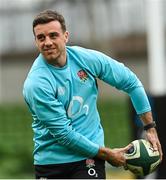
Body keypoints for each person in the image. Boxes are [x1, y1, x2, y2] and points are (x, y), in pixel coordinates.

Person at [23, 10, 163, 179]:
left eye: (53, 35)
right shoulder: (36, 84)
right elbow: (64, 135)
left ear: (65, 36)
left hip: (88, 159)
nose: (47, 42)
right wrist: (108, 154)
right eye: (41, 38)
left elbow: (131, 83)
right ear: (36, 41)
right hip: (51, 163)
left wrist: (149, 128)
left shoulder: (87, 59)